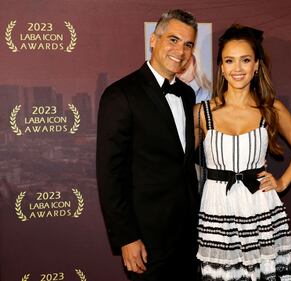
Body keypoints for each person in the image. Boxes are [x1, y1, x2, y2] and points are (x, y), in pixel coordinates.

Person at [193, 24, 291, 281]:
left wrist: (281, 182)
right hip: (217, 210)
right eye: (229, 61)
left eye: (245, 60)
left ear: (256, 65)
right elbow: (178, 164)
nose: (237, 69)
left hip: (259, 208)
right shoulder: (201, 112)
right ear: (221, 67)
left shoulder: (271, 109)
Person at [96, 9, 199, 281]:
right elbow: (110, 175)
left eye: (188, 44)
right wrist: (127, 237)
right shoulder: (121, 95)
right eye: (173, 40)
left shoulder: (188, 95)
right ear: (154, 40)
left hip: (189, 237)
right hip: (147, 239)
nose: (181, 50)